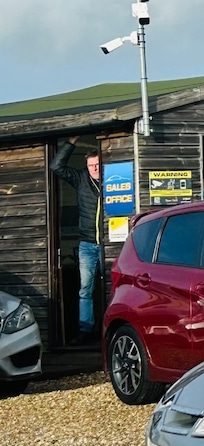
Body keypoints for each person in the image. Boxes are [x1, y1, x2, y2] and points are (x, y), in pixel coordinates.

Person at [50, 141, 104, 341]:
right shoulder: (80, 179)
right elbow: (56, 166)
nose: (95, 169)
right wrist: (69, 144)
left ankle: (109, 328)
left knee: (110, 288)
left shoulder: (113, 181)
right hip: (87, 244)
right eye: (91, 165)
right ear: (86, 166)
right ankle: (85, 330)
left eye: (98, 164)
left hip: (109, 245)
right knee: (85, 290)